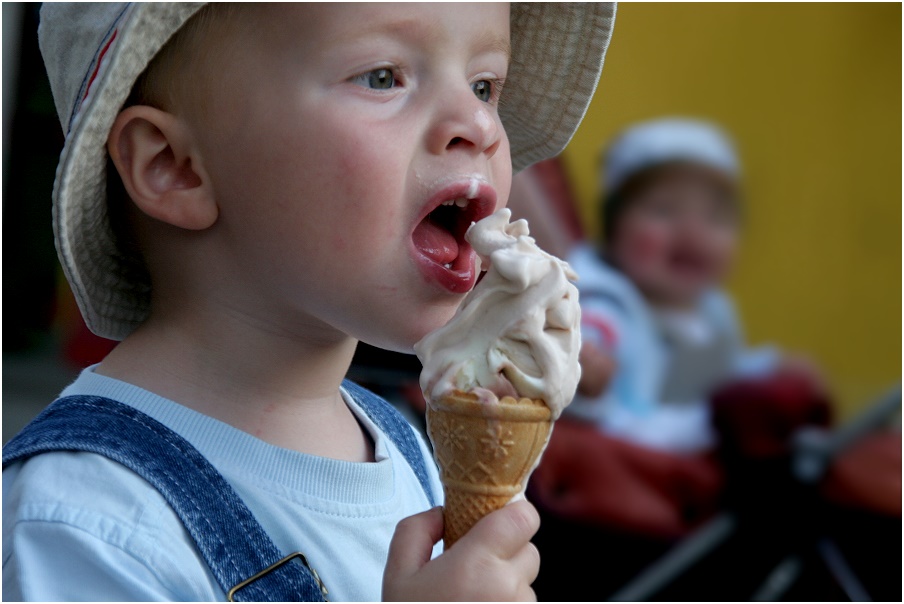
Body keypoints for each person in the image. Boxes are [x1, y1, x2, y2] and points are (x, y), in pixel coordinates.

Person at [2, 3, 615, 601]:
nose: (479, 126)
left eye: (484, 85)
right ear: (175, 167)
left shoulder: (403, 448)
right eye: (384, 77)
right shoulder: (84, 522)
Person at [567, 117, 823, 453]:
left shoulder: (713, 310)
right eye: (664, 209)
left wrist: (770, 367)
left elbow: (720, 374)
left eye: (715, 217)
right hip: (637, 469)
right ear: (613, 229)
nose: (692, 231)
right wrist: (585, 381)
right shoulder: (607, 309)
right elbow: (582, 382)